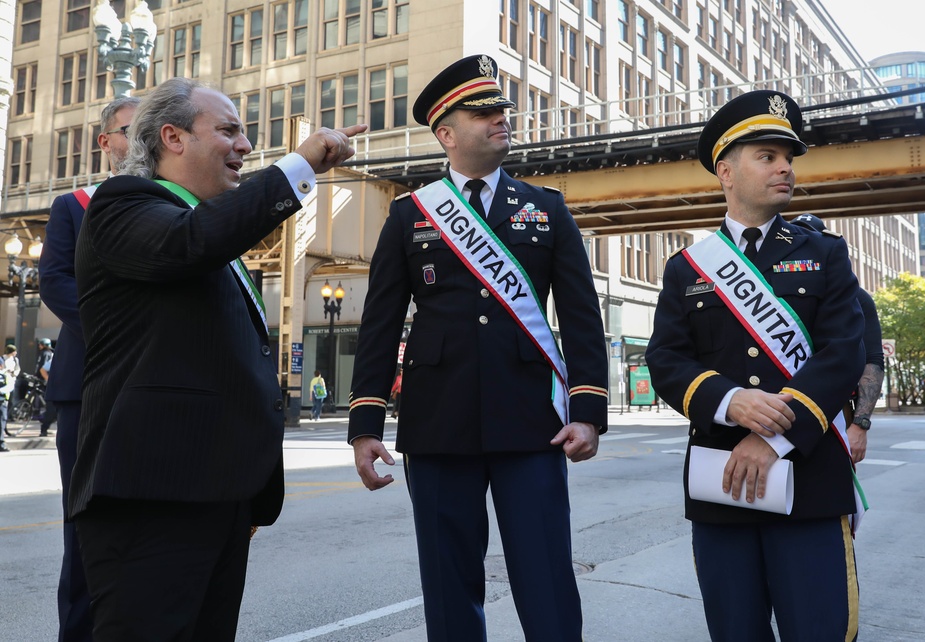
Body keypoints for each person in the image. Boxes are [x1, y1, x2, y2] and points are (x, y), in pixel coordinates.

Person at [69, 77, 366, 642]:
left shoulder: (209, 229)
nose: (245, 145)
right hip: (153, 497)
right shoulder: (123, 205)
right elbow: (191, 243)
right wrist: (297, 168)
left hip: (215, 496)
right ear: (172, 137)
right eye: (228, 130)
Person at [348, 54, 609, 641]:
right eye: (483, 112)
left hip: (532, 424)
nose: (501, 120)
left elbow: (582, 318)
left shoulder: (547, 208)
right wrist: (366, 425)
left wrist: (589, 411)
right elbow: (381, 323)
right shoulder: (410, 215)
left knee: (545, 577)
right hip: (438, 423)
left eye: (502, 111)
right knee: (448, 582)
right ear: (446, 133)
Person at [645, 90, 866, 642]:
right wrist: (729, 401)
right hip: (722, 486)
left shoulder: (825, 254)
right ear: (726, 171)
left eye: (788, 158)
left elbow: (844, 352)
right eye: (767, 156)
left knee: (818, 630)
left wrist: (773, 436)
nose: (785, 168)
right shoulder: (687, 268)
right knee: (734, 631)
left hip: (810, 484)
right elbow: (666, 359)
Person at [39, 94, 139, 642]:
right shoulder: (73, 205)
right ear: (106, 142)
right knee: (85, 527)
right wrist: (122, 329)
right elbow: (55, 281)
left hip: (155, 389)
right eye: (130, 129)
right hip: (90, 387)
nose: (142, 138)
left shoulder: (178, 203)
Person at [790, 214, 885, 463]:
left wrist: (860, 425)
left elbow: (873, 361)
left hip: (833, 415)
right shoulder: (770, 291)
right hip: (775, 412)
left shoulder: (857, 297)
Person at [35, 338, 56, 437]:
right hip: (53, 386)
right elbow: (43, 369)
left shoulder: (47, 354)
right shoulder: (53, 356)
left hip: (56, 386)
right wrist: (49, 380)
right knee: (51, 410)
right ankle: (44, 428)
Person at [2, 345, 18, 428]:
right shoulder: (2, 358)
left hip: (12, 381)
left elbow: (18, 369)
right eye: (14, 351)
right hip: (4, 382)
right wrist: (6, 370)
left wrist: (14, 373)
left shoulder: (15, 359)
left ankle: (9, 415)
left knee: (12, 399)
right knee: (4, 399)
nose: (15, 353)